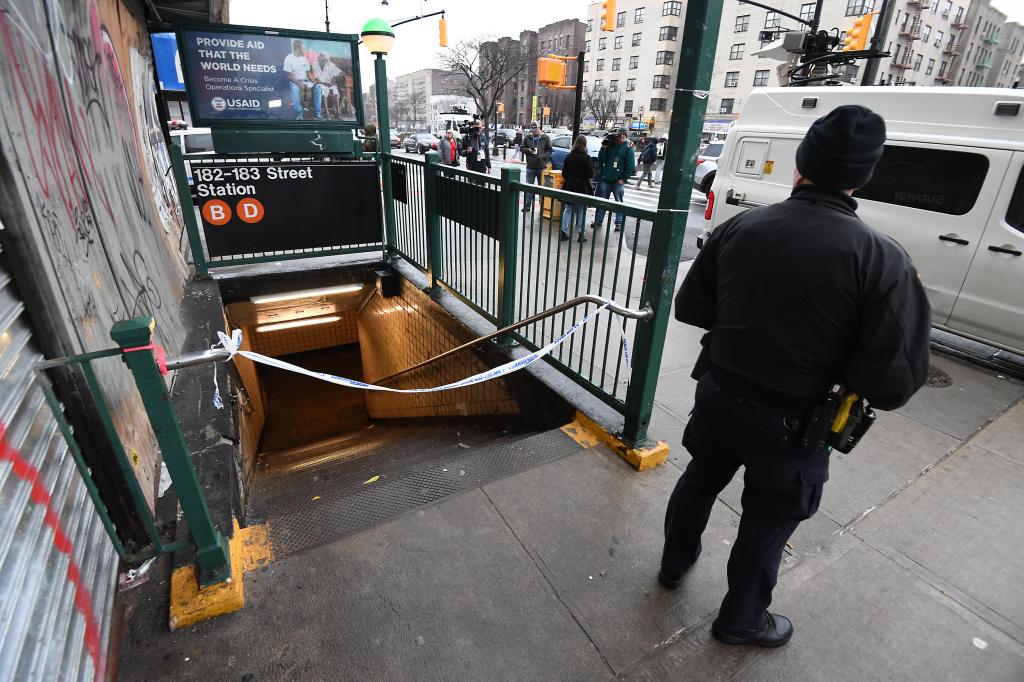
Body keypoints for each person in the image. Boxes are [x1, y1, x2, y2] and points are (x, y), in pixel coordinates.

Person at [659, 105, 931, 649]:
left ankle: (672, 566)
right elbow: (894, 381)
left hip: (719, 396)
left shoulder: (741, 226)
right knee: (768, 520)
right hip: (797, 420)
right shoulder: (882, 258)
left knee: (699, 480)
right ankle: (740, 621)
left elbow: (691, 307)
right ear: (862, 178)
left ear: (800, 165)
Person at [591, 129, 635, 231]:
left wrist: (624, 178)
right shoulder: (611, 145)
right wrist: (603, 147)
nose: (622, 138)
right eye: (620, 136)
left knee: (618, 202)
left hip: (618, 180)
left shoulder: (628, 148)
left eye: (624, 135)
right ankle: (598, 221)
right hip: (607, 178)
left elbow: (630, 165)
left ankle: (618, 223)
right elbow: (601, 159)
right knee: (602, 201)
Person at [559, 135, 594, 243]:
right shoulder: (586, 157)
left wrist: (570, 179)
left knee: (567, 209)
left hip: (570, 185)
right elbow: (590, 174)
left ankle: (563, 232)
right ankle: (580, 234)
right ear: (584, 144)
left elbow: (564, 172)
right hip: (582, 186)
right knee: (581, 211)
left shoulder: (569, 156)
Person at [520, 121, 552, 212]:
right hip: (530, 166)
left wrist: (543, 156)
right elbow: (521, 148)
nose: (533, 132)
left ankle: (542, 206)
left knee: (541, 188)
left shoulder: (545, 138)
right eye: (532, 131)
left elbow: (550, 150)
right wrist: (528, 150)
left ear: (539, 128)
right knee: (529, 188)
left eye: (535, 130)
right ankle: (527, 206)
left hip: (541, 167)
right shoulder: (528, 137)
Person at [283, 39, 313, 120]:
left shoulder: (304, 59)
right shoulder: (289, 58)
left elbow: (308, 73)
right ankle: (300, 114)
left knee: (318, 88)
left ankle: (317, 114)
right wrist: (299, 83)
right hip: (295, 82)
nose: (304, 50)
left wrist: (315, 80)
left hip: (306, 81)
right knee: (294, 89)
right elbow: (289, 76)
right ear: (298, 49)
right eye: (303, 48)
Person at [311, 52, 342, 120]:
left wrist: (334, 79)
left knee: (336, 92)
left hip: (329, 83)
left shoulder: (331, 65)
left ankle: (338, 113)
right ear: (318, 58)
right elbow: (316, 80)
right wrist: (326, 84)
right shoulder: (314, 65)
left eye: (325, 60)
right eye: (321, 58)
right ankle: (327, 113)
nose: (323, 61)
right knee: (323, 92)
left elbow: (341, 73)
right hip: (320, 83)